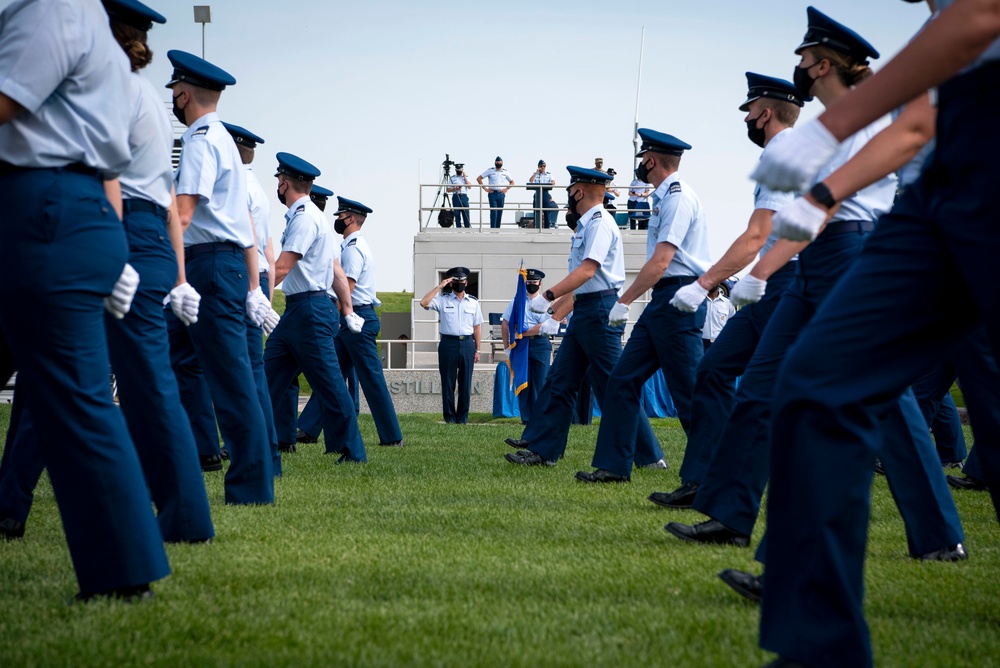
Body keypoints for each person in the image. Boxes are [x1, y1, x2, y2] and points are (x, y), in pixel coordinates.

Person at [738, 0, 1000, 660]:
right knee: (819, 383)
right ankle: (816, 649)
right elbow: (922, 119)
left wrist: (832, 128)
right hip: (945, 175)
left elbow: (984, 14)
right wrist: (820, 197)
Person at [665, 8, 964, 561]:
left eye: (803, 58)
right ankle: (730, 514)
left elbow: (822, 209)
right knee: (758, 387)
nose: (798, 67)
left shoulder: (860, 123)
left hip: (849, 253)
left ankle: (940, 535)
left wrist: (760, 270)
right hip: (814, 262)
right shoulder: (839, 123)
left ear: (823, 63)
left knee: (884, 400)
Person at [0, 0, 217, 546]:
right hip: (130, 233)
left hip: (106, 226)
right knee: (107, 381)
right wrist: (178, 273)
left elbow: (98, 169)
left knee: (77, 381)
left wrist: (124, 255)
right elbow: (169, 203)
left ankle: (11, 505)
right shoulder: (137, 94)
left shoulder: (107, 90)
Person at [652, 82, 804, 511]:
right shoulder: (780, 153)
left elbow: (757, 234)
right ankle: (702, 480)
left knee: (777, 394)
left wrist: (703, 285)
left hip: (790, 280)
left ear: (767, 114)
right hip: (773, 281)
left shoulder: (782, 153)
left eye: (750, 109)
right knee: (716, 371)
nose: (745, 118)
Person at [168, 49, 277, 504]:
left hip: (207, 265)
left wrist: (173, 277)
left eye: (174, 90)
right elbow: (245, 226)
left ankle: (251, 486)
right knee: (187, 366)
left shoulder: (199, 140)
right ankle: (205, 456)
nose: (173, 97)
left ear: (185, 93)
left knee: (230, 380)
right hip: (226, 264)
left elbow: (183, 213)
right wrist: (254, 287)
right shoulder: (225, 144)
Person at [504, 167, 664, 470]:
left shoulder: (600, 223)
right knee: (560, 381)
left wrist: (547, 296)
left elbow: (588, 272)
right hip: (587, 309)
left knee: (615, 386)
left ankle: (650, 456)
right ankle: (543, 450)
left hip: (599, 312)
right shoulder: (590, 224)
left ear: (577, 191)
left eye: (570, 190)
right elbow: (583, 286)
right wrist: (553, 313)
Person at [576, 129, 710, 483]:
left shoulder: (678, 198)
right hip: (663, 299)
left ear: (650, 161)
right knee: (622, 379)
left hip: (678, 297)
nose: (639, 166)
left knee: (689, 391)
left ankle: (712, 470)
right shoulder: (664, 198)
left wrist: (624, 300)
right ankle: (613, 466)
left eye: (641, 160)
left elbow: (662, 261)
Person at [263, 154, 367, 463]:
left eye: (278, 183)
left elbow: (281, 267)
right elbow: (336, 271)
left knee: (330, 384)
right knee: (267, 378)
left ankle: (352, 452)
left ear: (284, 183)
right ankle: (250, 441)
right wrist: (347, 311)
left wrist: (256, 298)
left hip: (309, 310)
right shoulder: (311, 217)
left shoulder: (305, 217)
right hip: (302, 310)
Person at [296, 197, 404, 447]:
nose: (337, 220)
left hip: (357, 320)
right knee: (329, 376)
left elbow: (348, 287)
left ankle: (392, 436)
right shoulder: (349, 245)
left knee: (372, 380)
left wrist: (333, 316)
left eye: (340, 216)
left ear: (351, 219)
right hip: (351, 319)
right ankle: (308, 428)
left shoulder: (354, 248)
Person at [223, 122, 281, 476]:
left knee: (238, 367)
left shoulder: (234, 184)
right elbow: (269, 251)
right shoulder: (256, 187)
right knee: (252, 368)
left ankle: (249, 448)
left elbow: (245, 237)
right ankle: (263, 448)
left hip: (239, 274)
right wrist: (266, 295)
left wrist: (255, 292)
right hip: (256, 275)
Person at [420, 267, 483, 424]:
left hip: (467, 343)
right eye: (456, 281)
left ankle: (462, 419)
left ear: (466, 283)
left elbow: (477, 327)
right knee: (448, 382)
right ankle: (449, 418)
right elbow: (424, 302)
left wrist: (478, 349)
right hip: (448, 343)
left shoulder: (473, 302)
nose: (459, 284)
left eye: (462, 281)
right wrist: (440, 286)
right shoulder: (443, 299)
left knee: (465, 382)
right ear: (451, 283)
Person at [501, 269, 552, 425]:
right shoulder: (516, 301)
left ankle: (539, 418)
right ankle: (526, 418)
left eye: (534, 283)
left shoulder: (546, 304)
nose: (531, 285)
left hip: (540, 343)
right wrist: (507, 347)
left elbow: (546, 325)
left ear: (540, 284)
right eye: (528, 283)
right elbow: (505, 324)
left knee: (540, 382)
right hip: (521, 345)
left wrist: (524, 332)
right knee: (523, 382)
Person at [477, 156, 513, 228]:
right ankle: (493, 229)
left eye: (500, 162)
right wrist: (485, 189)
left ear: (502, 163)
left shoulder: (505, 172)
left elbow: (512, 182)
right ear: (495, 163)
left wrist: (507, 189)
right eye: (497, 162)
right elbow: (479, 178)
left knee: (499, 212)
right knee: (494, 212)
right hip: (492, 193)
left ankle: (497, 230)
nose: (498, 163)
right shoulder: (490, 170)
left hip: (501, 193)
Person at [702, 284, 735, 351]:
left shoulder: (728, 303)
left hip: (720, 344)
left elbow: (733, 326)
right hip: (701, 344)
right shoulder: (699, 301)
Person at [527, 160, 557, 229]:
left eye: (544, 166)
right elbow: (530, 181)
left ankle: (547, 228)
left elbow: (553, 182)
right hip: (537, 194)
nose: (542, 167)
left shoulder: (549, 174)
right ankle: (536, 227)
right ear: (538, 167)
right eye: (541, 166)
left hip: (545, 193)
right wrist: (536, 173)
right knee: (536, 211)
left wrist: (552, 183)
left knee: (546, 211)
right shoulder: (535, 174)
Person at [448, 164, 472, 229]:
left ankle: (467, 229)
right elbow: (448, 189)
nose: (459, 171)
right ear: (455, 170)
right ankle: (458, 229)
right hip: (456, 196)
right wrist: (456, 188)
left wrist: (465, 177)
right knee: (457, 214)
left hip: (464, 196)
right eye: (458, 170)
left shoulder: (466, 177)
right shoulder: (452, 178)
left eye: (460, 170)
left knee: (466, 213)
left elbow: (470, 186)